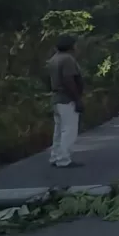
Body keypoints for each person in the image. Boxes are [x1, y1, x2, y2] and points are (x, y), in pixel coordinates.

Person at [47, 35, 84, 168]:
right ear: (70, 46)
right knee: (69, 129)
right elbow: (68, 79)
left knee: (58, 130)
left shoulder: (54, 58)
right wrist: (77, 99)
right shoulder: (67, 59)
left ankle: (55, 156)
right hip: (66, 98)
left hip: (56, 98)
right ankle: (64, 159)